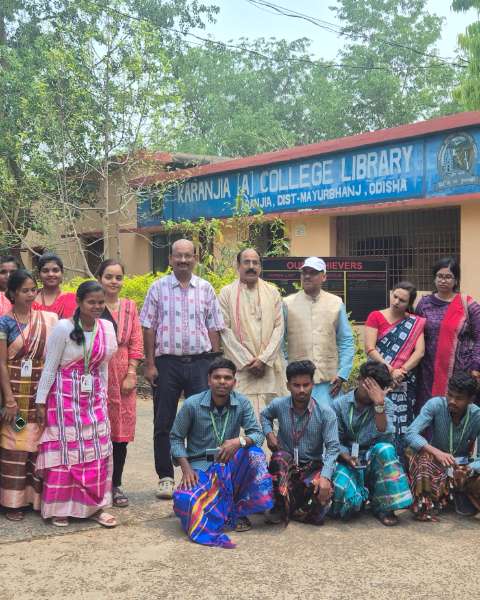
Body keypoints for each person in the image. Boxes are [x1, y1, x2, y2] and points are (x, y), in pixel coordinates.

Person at [140, 239, 225, 500]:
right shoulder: (158, 288)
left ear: (195, 258)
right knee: (163, 421)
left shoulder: (206, 288)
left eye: (188, 256)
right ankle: (165, 476)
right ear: (170, 259)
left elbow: (214, 327)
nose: (183, 260)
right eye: (178, 256)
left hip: (200, 363)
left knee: (202, 420)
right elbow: (148, 327)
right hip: (167, 364)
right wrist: (150, 364)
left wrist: (215, 365)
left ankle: (201, 474)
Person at [35, 281, 118, 528]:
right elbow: (50, 367)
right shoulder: (64, 327)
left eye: (101, 302)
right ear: (79, 302)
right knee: (65, 453)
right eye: (91, 302)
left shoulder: (106, 327)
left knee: (96, 451)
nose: (97, 307)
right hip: (63, 399)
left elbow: (103, 367)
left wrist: (103, 396)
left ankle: (95, 507)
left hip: (93, 399)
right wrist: (40, 402)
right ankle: (60, 508)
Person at [170, 357, 272, 548]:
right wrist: (186, 469)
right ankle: (224, 511)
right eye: (217, 377)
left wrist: (239, 441)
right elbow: (175, 438)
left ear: (234, 382)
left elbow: (257, 434)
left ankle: (240, 509)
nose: (222, 382)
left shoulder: (241, 403)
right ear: (209, 380)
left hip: (229, 463)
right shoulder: (192, 404)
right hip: (201, 466)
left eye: (227, 378)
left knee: (254, 454)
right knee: (185, 500)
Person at [0, 270, 57, 521]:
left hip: (40, 393)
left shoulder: (48, 320)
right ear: (12, 293)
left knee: (37, 444)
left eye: (33, 289)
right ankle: (12, 502)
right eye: (25, 290)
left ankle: (34, 499)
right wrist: (9, 400)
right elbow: (1, 363)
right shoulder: (4, 323)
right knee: (16, 443)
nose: (31, 294)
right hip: (15, 395)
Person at [330, 361, 413, 526]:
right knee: (345, 505)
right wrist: (347, 457)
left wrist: (379, 405)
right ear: (359, 379)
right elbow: (334, 441)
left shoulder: (387, 405)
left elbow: (386, 439)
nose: (371, 391)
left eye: (376, 388)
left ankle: (384, 507)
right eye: (368, 385)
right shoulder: (339, 405)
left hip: (373, 459)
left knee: (386, 450)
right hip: (348, 459)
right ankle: (364, 497)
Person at [260, 360, 340, 526]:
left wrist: (325, 477)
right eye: (296, 385)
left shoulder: (326, 413)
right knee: (279, 458)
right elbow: (264, 416)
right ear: (288, 386)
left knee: (320, 507)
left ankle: (291, 507)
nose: (302, 390)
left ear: (313, 385)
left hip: (311, 466)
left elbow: (333, 448)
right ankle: (283, 506)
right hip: (286, 467)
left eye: (306, 385)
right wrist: (269, 435)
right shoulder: (279, 405)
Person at [218, 248, 286, 419]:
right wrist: (248, 362)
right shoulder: (226, 293)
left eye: (255, 263)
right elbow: (224, 331)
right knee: (241, 420)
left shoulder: (272, 292)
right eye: (246, 262)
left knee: (272, 421)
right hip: (241, 370)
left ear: (260, 267)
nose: (251, 266)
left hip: (269, 369)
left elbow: (279, 329)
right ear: (238, 266)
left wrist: (263, 360)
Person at [97, 260, 143, 508]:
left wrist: (132, 373)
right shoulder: (93, 304)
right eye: (108, 277)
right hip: (98, 372)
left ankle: (116, 484)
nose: (113, 282)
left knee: (119, 435)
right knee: (95, 431)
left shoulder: (129, 307)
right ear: (99, 278)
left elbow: (136, 341)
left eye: (118, 277)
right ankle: (96, 484)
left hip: (123, 373)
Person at [405, 372, 480, 522]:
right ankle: (426, 506)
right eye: (449, 395)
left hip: (461, 469)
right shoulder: (435, 405)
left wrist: (470, 468)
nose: (452, 401)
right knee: (420, 456)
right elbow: (410, 433)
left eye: (459, 398)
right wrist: (436, 452)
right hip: (436, 464)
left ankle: (457, 496)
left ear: (471, 399)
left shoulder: (477, 416)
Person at [364, 281, 425, 454]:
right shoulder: (375, 316)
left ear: (409, 303)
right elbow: (370, 348)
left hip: (403, 382)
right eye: (395, 296)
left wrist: (402, 371)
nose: (396, 302)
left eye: (402, 300)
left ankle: (401, 463)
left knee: (403, 424)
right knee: (377, 419)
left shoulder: (414, 323)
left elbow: (419, 352)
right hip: (379, 378)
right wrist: (391, 370)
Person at [283, 256, 354, 405]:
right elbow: (279, 342)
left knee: (329, 419)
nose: (307, 276)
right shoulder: (287, 304)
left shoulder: (335, 303)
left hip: (328, 383)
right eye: (304, 272)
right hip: (297, 383)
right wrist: (285, 371)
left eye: (313, 272)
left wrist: (342, 374)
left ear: (324, 277)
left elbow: (346, 340)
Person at [415, 257, 480, 412]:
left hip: (460, 372)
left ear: (456, 280)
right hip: (428, 372)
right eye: (440, 276)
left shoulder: (468, 304)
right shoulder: (424, 304)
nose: (443, 280)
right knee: (429, 411)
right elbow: (415, 335)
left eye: (448, 277)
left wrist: (476, 367)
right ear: (434, 278)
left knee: (457, 411)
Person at [33, 253, 77, 318]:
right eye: (45, 271)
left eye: (55, 270)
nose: (50, 274)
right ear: (39, 274)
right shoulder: (30, 299)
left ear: (62, 273)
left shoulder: (72, 299)